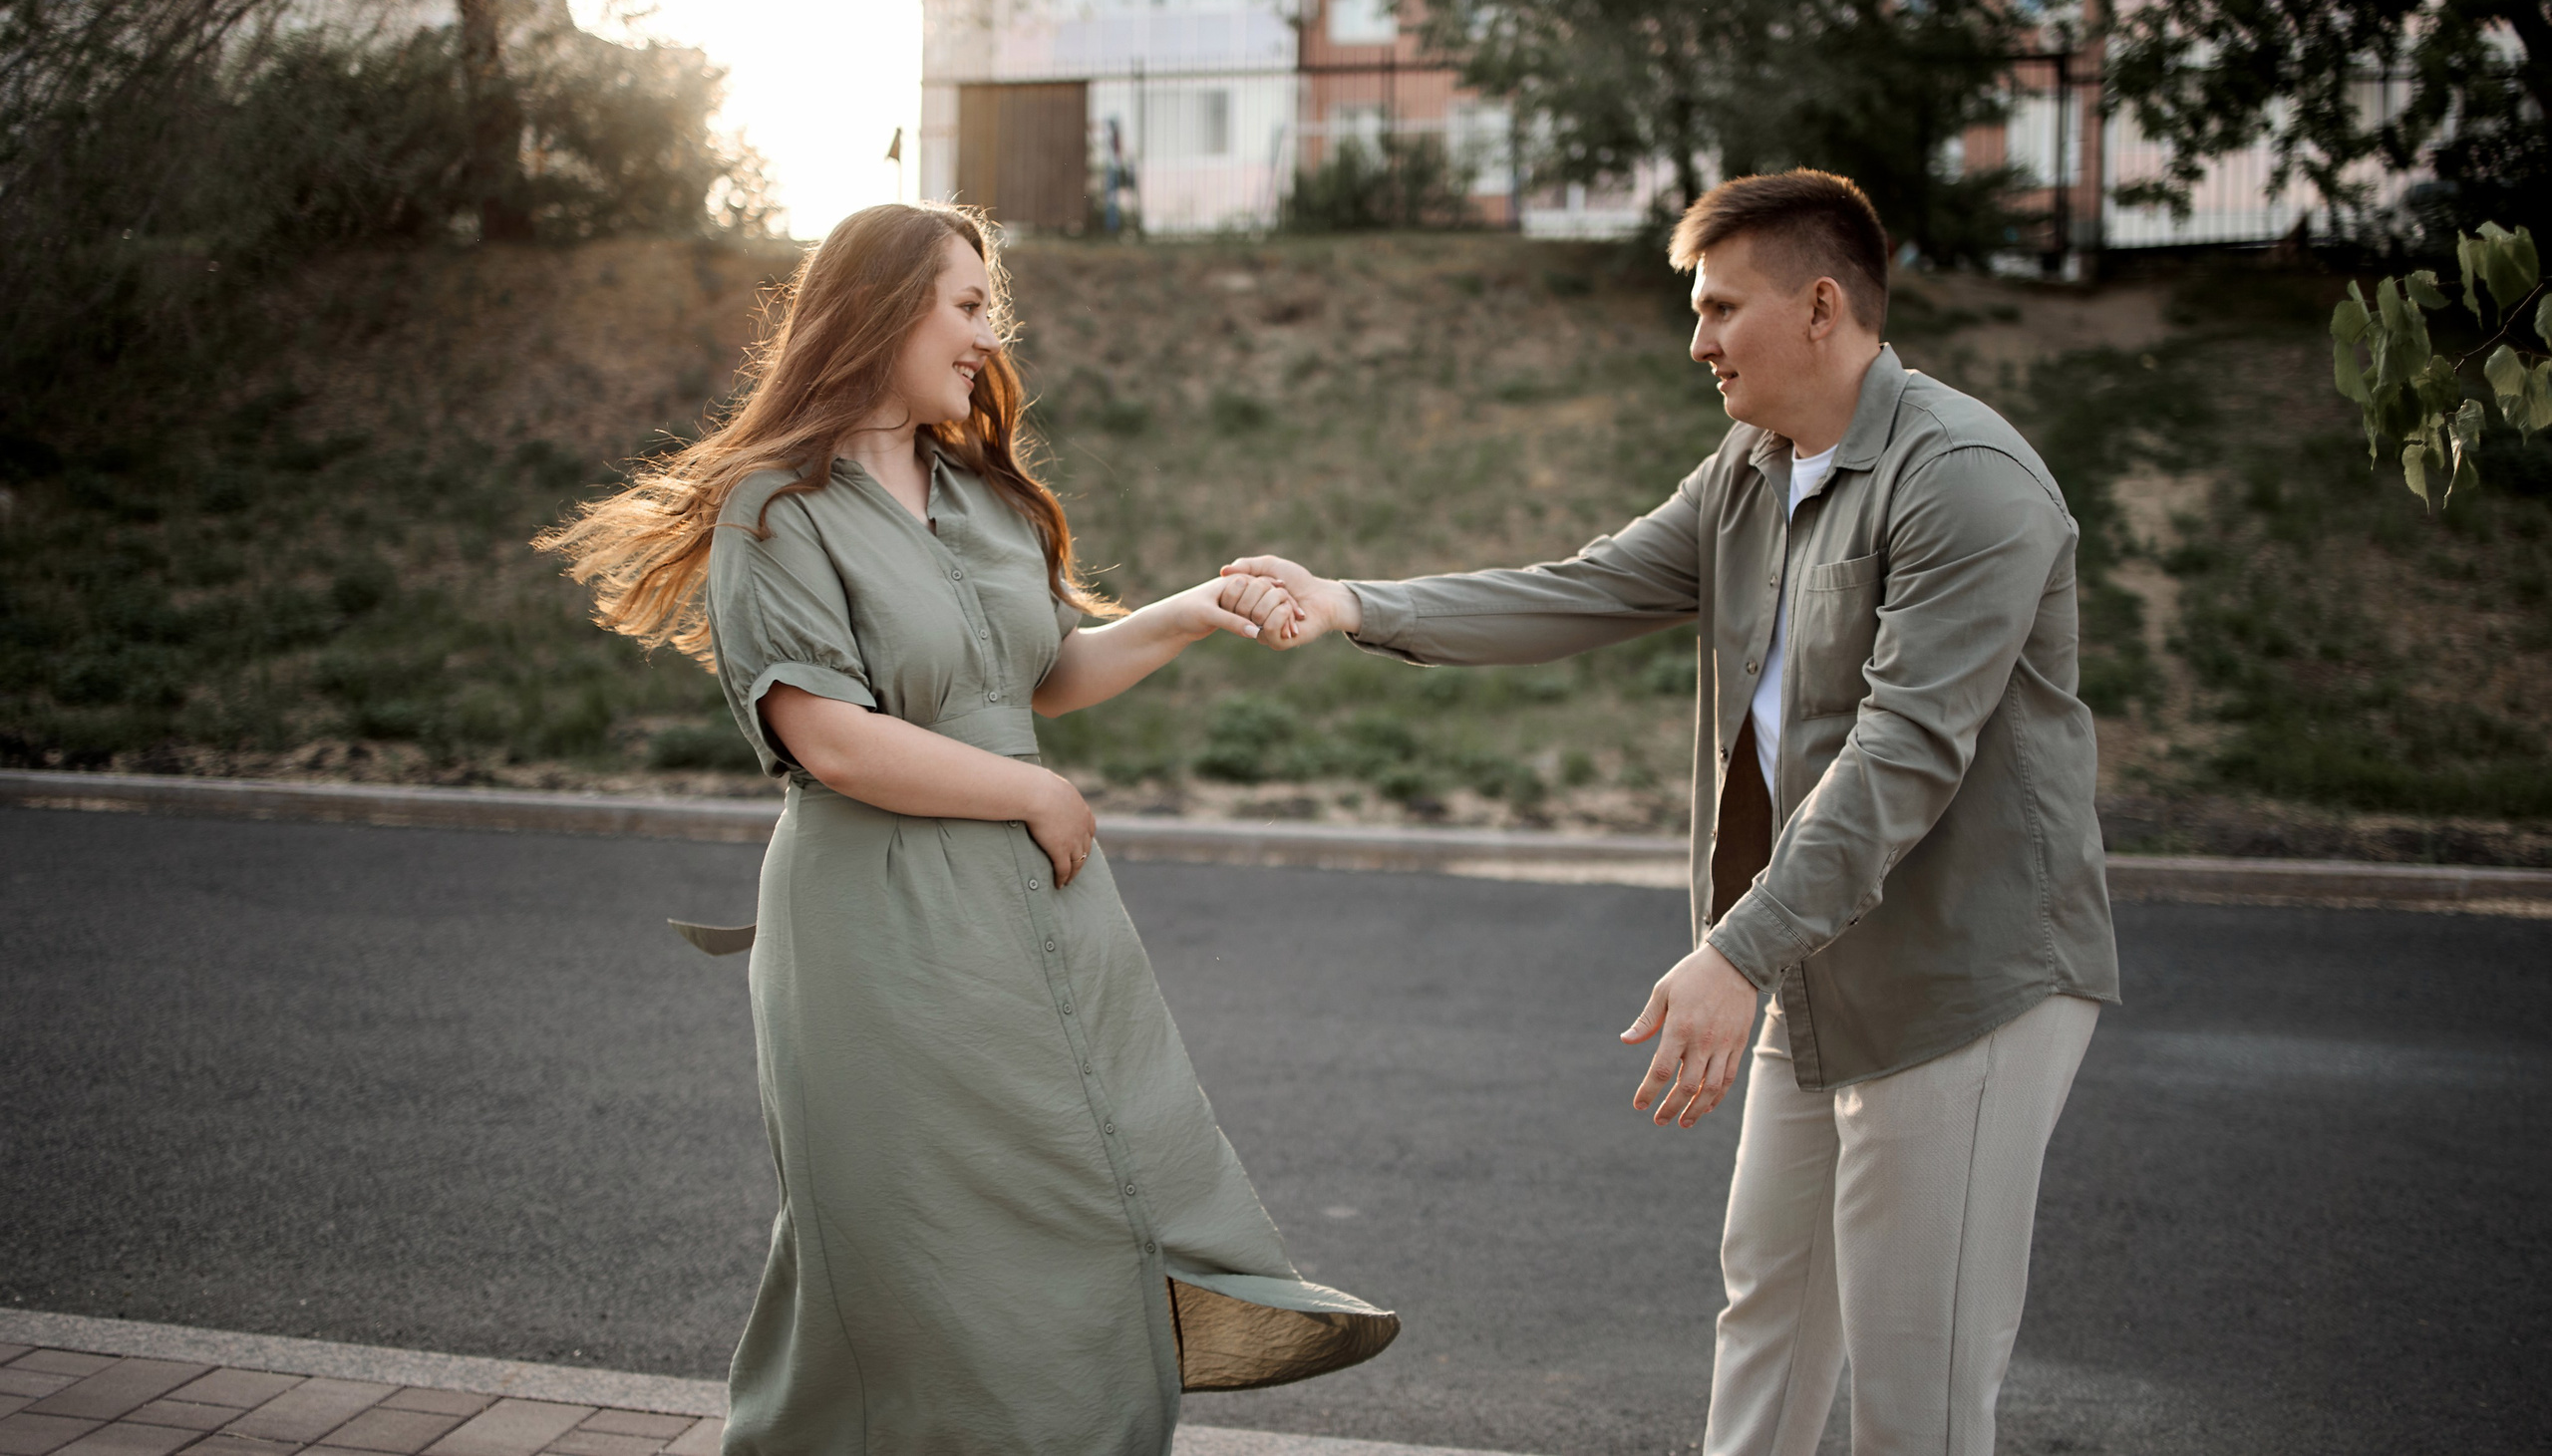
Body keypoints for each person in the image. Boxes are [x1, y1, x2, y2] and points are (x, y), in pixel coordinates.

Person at [1227, 169, 2117, 1456]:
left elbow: (1903, 756)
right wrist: (1352, 603)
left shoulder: (1967, 480)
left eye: (1719, 308)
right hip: (1810, 955)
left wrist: (1736, 953)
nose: (1697, 341)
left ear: (1822, 307)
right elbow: (1585, 587)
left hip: (1961, 978)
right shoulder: (1753, 467)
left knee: (1912, 1391)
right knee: (1767, 1317)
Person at [537, 202, 1396, 1455]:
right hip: (876, 919)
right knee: (911, 1245)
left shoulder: (981, 495)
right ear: (883, 308)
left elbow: (1039, 676)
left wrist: (1190, 611)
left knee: (1087, 1200)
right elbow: (829, 738)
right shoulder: (773, 510)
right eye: (969, 305)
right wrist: (1035, 793)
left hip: (1034, 906)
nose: (992, 338)